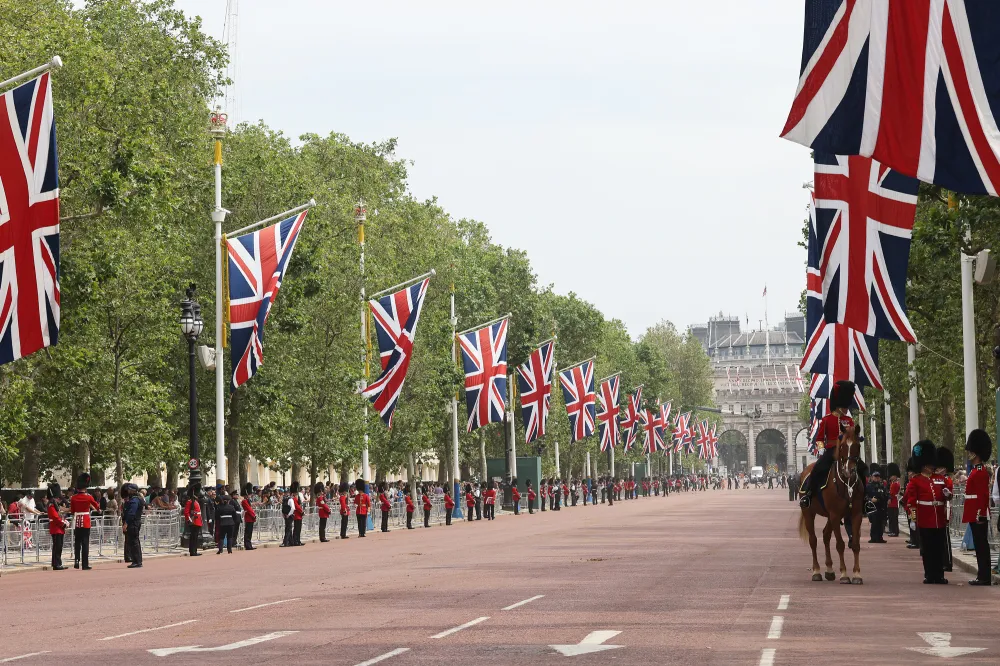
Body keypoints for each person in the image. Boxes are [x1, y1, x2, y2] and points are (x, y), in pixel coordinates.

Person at [800, 380, 856, 508]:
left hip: (846, 452)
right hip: (831, 451)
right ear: (838, 405)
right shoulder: (827, 419)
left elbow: (852, 436)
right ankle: (808, 495)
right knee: (817, 470)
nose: (846, 409)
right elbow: (819, 439)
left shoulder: (849, 421)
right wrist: (820, 449)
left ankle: (865, 499)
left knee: (863, 469)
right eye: (845, 406)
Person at [903, 441, 949, 584]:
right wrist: (913, 519)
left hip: (939, 518)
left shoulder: (940, 479)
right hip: (924, 518)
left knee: (939, 548)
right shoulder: (915, 481)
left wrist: (948, 494)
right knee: (927, 549)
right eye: (929, 465)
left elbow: (946, 495)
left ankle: (939, 575)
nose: (932, 467)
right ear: (923, 465)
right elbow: (911, 502)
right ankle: (929, 574)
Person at [962, 429, 993, 585]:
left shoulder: (980, 472)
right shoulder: (976, 470)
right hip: (974, 512)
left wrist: (980, 514)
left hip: (978, 513)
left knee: (981, 545)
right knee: (980, 545)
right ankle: (983, 575)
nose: (969, 454)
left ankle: (984, 577)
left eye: (971, 451)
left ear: (976, 453)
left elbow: (982, 496)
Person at [70, 473, 100, 570]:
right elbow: (97, 506)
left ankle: (76, 561)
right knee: (85, 543)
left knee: (77, 542)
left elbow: (73, 511)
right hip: (86, 521)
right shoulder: (89, 497)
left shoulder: (73, 498)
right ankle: (85, 564)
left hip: (77, 521)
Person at [935, 448, 955, 573]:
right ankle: (941, 561)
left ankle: (947, 562)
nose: (938, 470)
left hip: (944, 509)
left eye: (940, 468)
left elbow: (949, 493)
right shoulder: (937, 479)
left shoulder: (947, 480)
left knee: (945, 537)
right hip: (936, 510)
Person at [46, 483, 67, 571]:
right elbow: (55, 517)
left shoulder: (54, 504)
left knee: (59, 547)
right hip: (56, 528)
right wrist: (63, 523)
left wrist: (64, 521)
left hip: (58, 528)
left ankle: (58, 563)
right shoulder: (51, 504)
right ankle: (56, 564)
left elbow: (58, 515)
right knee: (57, 547)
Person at [122, 484, 144, 567]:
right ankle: (136, 560)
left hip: (133, 523)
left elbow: (131, 513)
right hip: (133, 523)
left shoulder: (135, 500)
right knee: (133, 542)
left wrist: (126, 523)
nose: (128, 491)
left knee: (134, 542)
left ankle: (137, 561)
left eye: (129, 490)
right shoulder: (134, 499)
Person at [865, 466, 887, 543]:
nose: (877, 478)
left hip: (881, 506)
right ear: (872, 477)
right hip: (872, 507)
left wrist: (889, 498)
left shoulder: (882, 486)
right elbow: (865, 496)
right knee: (874, 523)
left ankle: (880, 537)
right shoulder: (868, 486)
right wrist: (870, 499)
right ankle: (873, 537)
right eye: (875, 477)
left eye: (878, 477)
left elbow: (886, 494)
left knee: (881, 523)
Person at [184, 485, 203, 556]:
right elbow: (186, 512)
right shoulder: (190, 502)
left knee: (195, 537)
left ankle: (194, 550)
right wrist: (189, 520)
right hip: (194, 521)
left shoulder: (195, 501)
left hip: (197, 521)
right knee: (193, 537)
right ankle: (192, 551)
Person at [886, 463, 901, 537]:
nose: (890, 477)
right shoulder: (893, 483)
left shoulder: (896, 484)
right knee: (891, 518)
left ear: (895, 476)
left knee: (894, 518)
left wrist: (890, 498)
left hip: (894, 502)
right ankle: (892, 530)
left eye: (891, 476)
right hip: (892, 502)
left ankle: (894, 531)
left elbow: (892, 493)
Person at [241, 483, 257, 550]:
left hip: (250, 518)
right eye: (249, 494)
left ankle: (249, 544)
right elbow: (249, 509)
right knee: (248, 532)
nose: (250, 495)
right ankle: (247, 545)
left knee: (249, 532)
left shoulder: (247, 500)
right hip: (249, 518)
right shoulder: (244, 501)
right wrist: (254, 515)